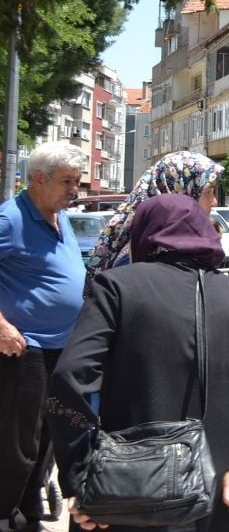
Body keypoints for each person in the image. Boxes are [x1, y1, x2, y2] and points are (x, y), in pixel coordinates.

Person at [47, 194, 229, 532]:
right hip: (220, 491)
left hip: (127, 493)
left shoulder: (117, 288)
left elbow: (70, 378)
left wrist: (79, 476)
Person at [0, 141, 86, 532]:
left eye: (78, 182)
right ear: (38, 179)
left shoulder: (58, 215)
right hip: (24, 349)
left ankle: (29, 509)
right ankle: (5, 514)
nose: (75, 191)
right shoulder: (10, 219)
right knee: (19, 443)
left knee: (51, 437)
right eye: (67, 181)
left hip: (61, 347)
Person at [84, 150, 223, 296]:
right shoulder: (137, 255)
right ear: (180, 191)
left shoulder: (163, 248)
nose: (214, 202)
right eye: (208, 192)